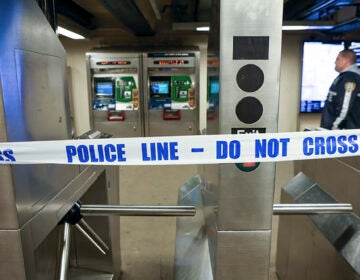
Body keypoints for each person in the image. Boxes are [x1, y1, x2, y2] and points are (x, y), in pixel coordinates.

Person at [320, 49, 360, 129]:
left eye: (337, 59)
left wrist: (334, 128)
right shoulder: (343, 77)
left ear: (346, 61)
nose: (335, 62)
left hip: (344, 133)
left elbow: (345, 105)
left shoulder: (350, 78)